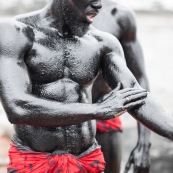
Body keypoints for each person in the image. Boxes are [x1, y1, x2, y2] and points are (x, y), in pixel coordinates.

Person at [0, 0, 173, 172]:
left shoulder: (103, 43)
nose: (98, 5)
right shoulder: (15, 32)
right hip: (34, 161)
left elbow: (136, 96)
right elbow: (18, 107)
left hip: (87, 160)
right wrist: (96, 110)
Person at [92, 1, 150, 173]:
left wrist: (144, 144)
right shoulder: (52, 13)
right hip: (64, 122)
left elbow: (138, 78)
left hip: (105, 120)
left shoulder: (119, 16)